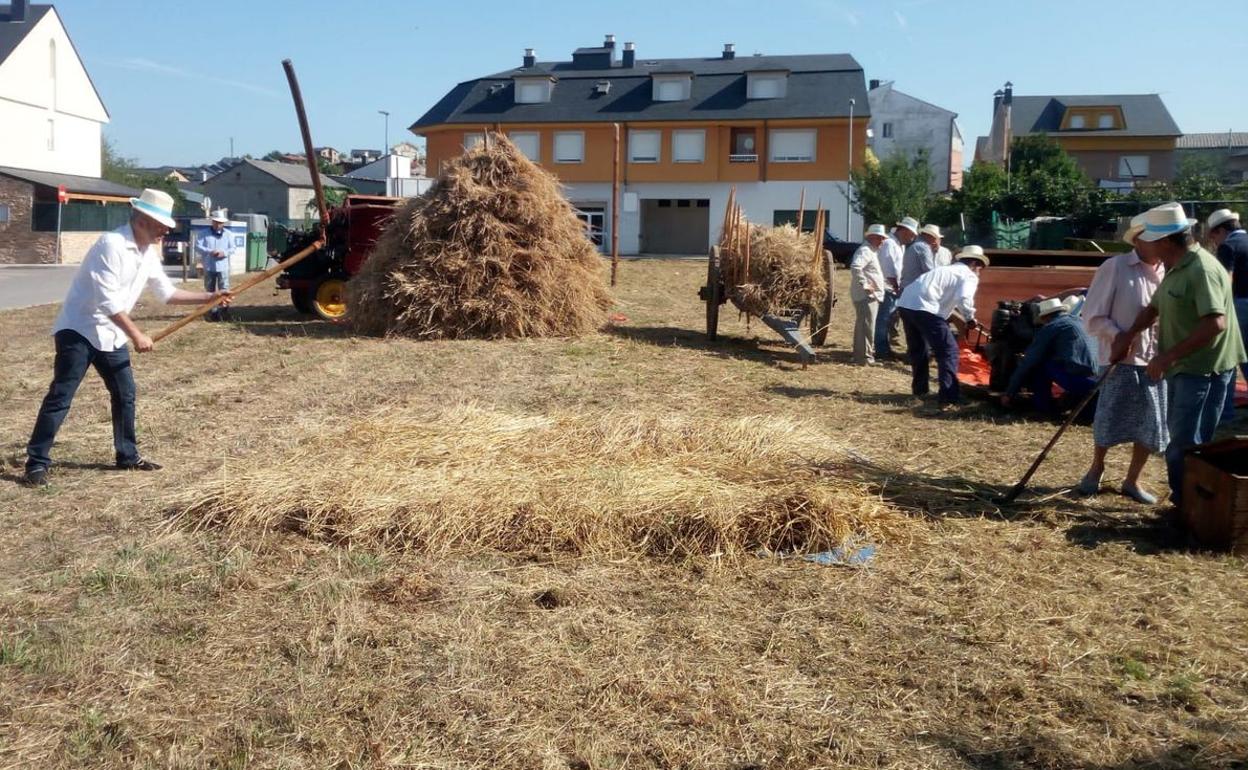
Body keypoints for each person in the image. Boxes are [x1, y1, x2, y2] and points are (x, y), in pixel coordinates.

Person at [21, 189, 233, 488]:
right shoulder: (111, 244)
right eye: (163, 225)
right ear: (144, 220)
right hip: (79, 330)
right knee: (61, 396)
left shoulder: (148, 253)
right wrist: (137, 335)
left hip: (112, 333)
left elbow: (167, 293)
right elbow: (106, 302)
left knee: (125, 394)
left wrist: (209, 296)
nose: (167, 231)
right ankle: (36, 463)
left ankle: (127, 456)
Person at [1111, 202, 1246, 507]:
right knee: (1184, 440)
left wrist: (1166, 357)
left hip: (1202, 369)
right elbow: (1153, 308)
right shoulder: (1176, 268)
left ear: (1166, 241)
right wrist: (1128, 335)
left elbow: (1215, 323)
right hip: (1185, 367)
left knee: (1185, 444)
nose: (1145, 244)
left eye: (1150, 238)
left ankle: (1186, 508)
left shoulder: (1201, 270)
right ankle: (1189, 503)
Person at [1077, 214, 1168, 504]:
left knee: (1151, 422)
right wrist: (1118, 336)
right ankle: (1096, 468)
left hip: (1156, 360)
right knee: (1109, 416)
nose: (1159, 243)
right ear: (1138, 239)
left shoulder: (1170, 271)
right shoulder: (1115, 267)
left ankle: (1132, 480)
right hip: (1121, 359)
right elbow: (1091, 316)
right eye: (1153, 237)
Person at [897, 244, 989, 408]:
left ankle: (920, 390)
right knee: (949, 351)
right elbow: (964, 298)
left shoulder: (946, 270)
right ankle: (949, 396)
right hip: (926, 308)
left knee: (919, 350)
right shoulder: (968, 275)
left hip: (906, 304)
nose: (979, 271)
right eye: (980, 267)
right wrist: (969, 317)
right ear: (974, 264)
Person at [1000, 297, 1097, 414]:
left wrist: (1009, 393)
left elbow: (1028, 362)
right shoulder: (1081, 322)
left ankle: (1043, 408)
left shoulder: (1051, 327)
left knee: (1040, 367)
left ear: (1045, 317)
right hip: (1098, 377)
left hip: (1079, 380)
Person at [1208, 209, 1248, 421]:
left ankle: (1225, 411)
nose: (1214, 242)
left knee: (1230, 355)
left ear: (1221, 230)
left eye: (1213, 236)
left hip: (1240, 304)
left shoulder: (1228, 246)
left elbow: (1226, 281)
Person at [875, 216, 917, 360]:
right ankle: (881, 351)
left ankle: (884, 348)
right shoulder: (889, 243)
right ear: (904, 230)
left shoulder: (900, 245)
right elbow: (888, 269)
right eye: (911, 234)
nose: (912, 238)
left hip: (894, 287)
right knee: (883, 320)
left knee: (888, 320)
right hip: (887, 287)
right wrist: (896, 286)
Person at [849, 224, 888, 365]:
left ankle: (861, 356)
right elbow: (856, 267)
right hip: (867, 296)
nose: (882, 241)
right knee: (867, 326)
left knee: (864, 325)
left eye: (883, 238)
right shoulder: (866, 250)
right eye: (880, 238)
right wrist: (865, 284)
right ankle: (865, 358)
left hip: (868, 296)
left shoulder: (870, 251)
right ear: (872, 237)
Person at [196, 209, 235, 321]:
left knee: (225, 289)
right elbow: (198, 247)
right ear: (212, 222)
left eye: (221, 222)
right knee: (210, 290)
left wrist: (224, 253)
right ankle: (212, 313)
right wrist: (210, 251)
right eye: (217, 222)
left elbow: (233, 248)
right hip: (209, 266)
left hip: (223, 267)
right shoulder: (203, 234)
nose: (219, 224)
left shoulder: (228, 234)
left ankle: (224, 312)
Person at [899, 223, 943, 290]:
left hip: (907, 286)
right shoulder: (924, 247)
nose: (935, 240)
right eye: (935, 238)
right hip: (914, 288)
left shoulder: (915, 245)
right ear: (929, 236)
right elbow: (930, 271)